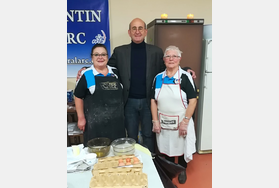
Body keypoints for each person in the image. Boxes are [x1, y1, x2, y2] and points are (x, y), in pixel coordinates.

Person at [76, 18, 196, 153]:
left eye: (140, 28)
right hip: (129, 103)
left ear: (145, 32)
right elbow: (103, 65)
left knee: (148, 135)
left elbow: (169, 67)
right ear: (129, 32)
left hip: (148, 102)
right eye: (134, 28)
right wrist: (85, 68)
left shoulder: (155, 52)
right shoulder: (120, 52)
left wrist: (186, 69)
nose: (137, 31)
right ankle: (132, 161)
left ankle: (151, 161)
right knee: (131, 136)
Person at [151, 45, 197, 184]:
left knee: (182, 146)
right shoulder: (158, 78)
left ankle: (182, 169)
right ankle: (171, 169)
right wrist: (155, 121)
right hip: (163, 119)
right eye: (168, 56)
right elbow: (153, 100)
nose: (171, 59)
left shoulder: (185, 77)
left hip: (182, 119)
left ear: (179, 59)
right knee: (167, 146)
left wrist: (186, 121)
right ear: (164, 59)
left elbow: (193, 100)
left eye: (174, 56)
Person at [74, 44, 126, 147]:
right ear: (92, 57)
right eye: (96, 54)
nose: (100, 57)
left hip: (116, 123)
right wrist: (81, 118)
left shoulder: (115, 72)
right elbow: (78, 96)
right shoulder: (86, 74)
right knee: (96, 154)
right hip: (95, 125)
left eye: (103, 54)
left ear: (107, 57)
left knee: (115, 153)